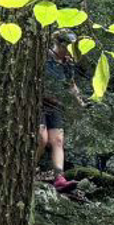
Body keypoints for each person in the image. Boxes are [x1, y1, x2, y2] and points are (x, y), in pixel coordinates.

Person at [40, 36, 78, 192]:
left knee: (57, 140)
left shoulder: (67, 64)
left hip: (55, 104)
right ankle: (26, 172)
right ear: (59, 44)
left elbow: (71, 85)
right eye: (68, 46)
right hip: (38, 103)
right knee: (41, 139)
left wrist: (80, 102)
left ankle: (59, 178)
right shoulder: (44, 57)